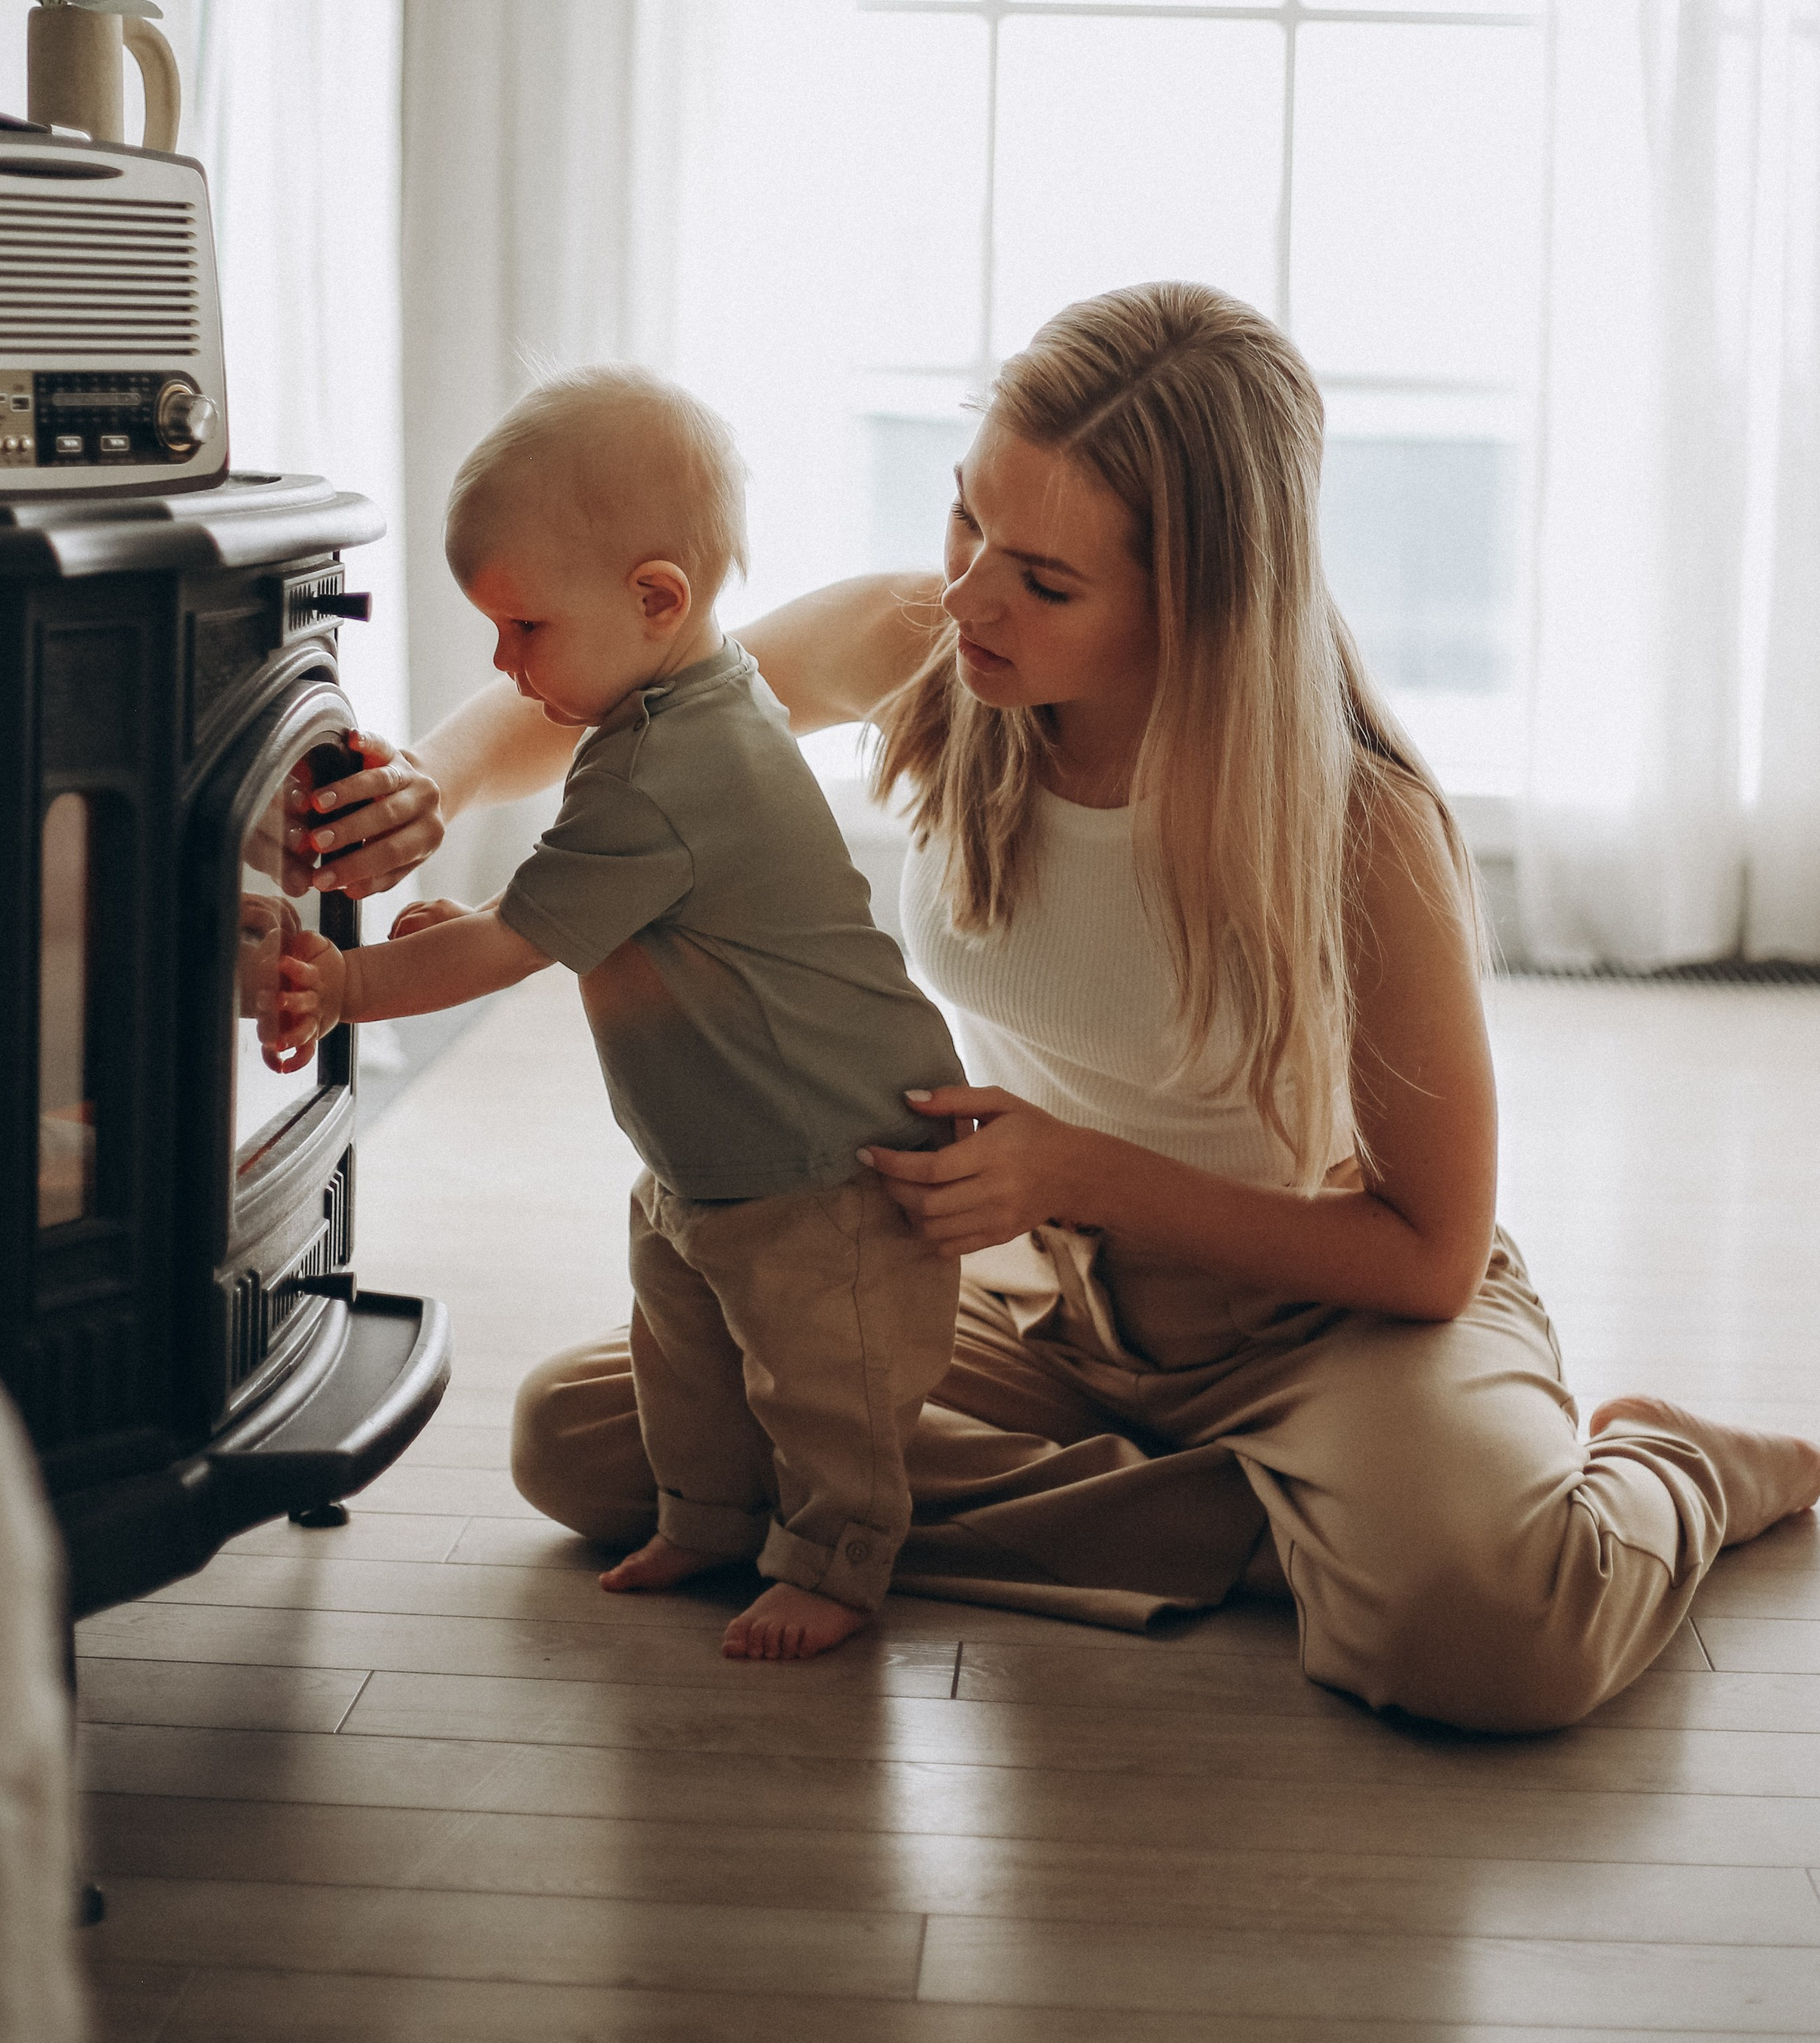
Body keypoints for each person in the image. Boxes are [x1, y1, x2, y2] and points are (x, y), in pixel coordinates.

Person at [300, 286, 1820, 1733]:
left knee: (1502, 1634)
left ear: (1202, 605)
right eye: (968, 513)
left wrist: (1074, 1170)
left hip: (1314, 1320)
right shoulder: (939, 644)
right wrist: (431, 780)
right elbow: (633, 681)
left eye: (1043, 578)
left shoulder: (1357, 826)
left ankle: (1658, 1469)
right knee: (584, 1442)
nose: (967, 593)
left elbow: (1424, 1256)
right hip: (1017, 1285)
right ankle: (1282, 1526)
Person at [270, 367, 964, 1662]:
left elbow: (529, 940)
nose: (501, 661)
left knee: (827, 1392)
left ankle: (836, 1559)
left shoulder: (669, 763)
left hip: (822, 1174)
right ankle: (705, 1516)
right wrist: (471, 934)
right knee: (686, 1358)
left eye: (524, 627)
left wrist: (354, 982)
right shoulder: (673, 707)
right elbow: (594, 916)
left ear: (657, 598)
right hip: (711, 1162)